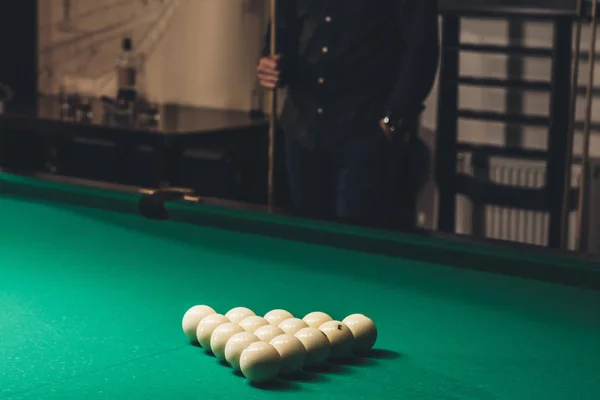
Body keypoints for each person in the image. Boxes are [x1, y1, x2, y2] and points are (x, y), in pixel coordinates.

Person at [257, 0, 439, 227]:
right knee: (308, 239)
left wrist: (391, 121)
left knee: (360, 242)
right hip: (303, 131)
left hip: (365, 135)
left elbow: (421, 49)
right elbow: (281, 36)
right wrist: (271, 65)